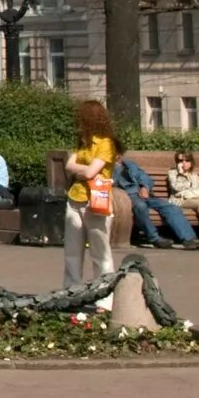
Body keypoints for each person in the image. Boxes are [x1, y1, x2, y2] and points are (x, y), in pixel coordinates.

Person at [63, 100, 120, 290]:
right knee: (72, 251)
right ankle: (70, 292)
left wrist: (81, 170)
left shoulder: (106, 143)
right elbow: (68, 165)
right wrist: (84, 170)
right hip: (75, 198)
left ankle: (104, 297)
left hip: (97, 200)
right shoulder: (83, 141)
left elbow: (88, 173)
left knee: (100, 252)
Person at [113, 153, 194, 248]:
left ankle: (189, 240)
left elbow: (145, 177)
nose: (116, 155)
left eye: (117, 152)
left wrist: (145, 187)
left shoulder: (129, 164)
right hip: (128, 196)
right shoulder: (106, 167)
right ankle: (154, 238)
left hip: (145, 194)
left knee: (170, 207)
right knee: (141, 207)